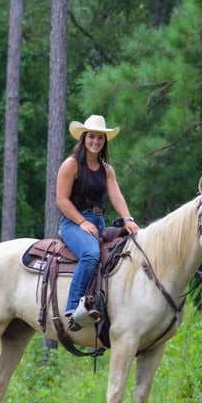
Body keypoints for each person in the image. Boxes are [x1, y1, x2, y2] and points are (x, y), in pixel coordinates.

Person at [56, 114, 140, 331]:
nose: (95, 141)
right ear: (84, 138)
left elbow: (117, 197)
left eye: (100, 138)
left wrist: (128, 219)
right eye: (91, 136)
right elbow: (62, 200)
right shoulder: (71, 164)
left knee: (118, 256)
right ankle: (73, 308)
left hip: (98, 222)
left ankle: (105, 312)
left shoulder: (106, 170)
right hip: (73, 223)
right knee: (91, 254)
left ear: (105, 141)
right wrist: (82, 222)